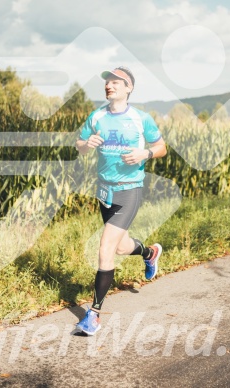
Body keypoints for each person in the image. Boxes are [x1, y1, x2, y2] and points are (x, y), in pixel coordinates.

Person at [74, 66, 167, 335]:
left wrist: (145, 154)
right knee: (122, 247)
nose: (109, 85)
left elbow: (161, 148)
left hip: (129, 190)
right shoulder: (97, 116)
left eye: (116, 82)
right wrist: (86, 144)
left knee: (105, 248)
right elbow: (79, 145)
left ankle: (94, 315)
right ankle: (150, 253)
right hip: (105, 191)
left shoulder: (141, 118)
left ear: (129, 88)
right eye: (107, 82)